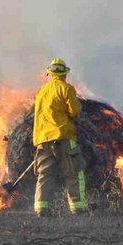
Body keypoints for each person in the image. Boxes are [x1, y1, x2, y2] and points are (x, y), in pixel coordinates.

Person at [32, 58, 88, 216]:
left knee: (45, 175)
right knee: (74, 173)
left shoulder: (40, 91)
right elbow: (74, 112)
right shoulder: (67, 89)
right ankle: (78, 208)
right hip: (63, 137)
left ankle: (41, 209)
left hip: (43, 140)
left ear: (49, 73)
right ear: (65, 74)